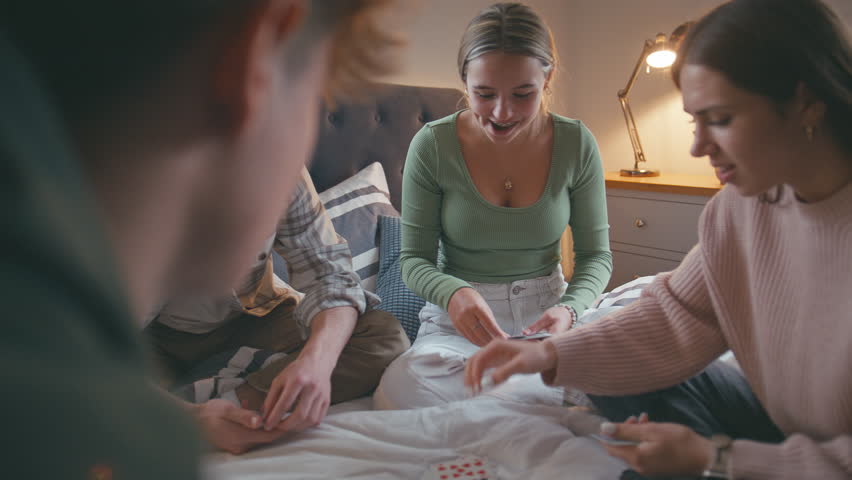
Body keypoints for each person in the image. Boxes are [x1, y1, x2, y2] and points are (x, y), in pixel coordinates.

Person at [0, 0, 403, 477]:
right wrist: (187, 425)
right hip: (154, 345)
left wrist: (315, 364)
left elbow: (330, 271)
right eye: (314, 93)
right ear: (255, 64)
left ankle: (225, 397)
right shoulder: (119, 447)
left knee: (378, 328)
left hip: (244, 324)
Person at [465, 0, 852, 478]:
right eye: (695, 121)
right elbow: (676, 315)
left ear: (805, 101)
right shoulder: (739, 208)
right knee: (607, 371)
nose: (698, 147)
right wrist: (548, 352)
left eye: (722, 119)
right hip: (783, 422)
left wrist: (718, 460)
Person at [374, 2, 612, 410]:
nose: (501, 113)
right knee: (403, 388)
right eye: (484, 94)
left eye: (523, 94)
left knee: (644, 342)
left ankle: (513, 397)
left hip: (547, 315)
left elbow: (596, 256)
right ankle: (542, 399)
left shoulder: (576, 142)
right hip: (459, 324)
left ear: (547, 78)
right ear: (464, 81)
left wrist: (570, 310)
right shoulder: (432, 145)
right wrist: (453, 293)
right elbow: (414, 260)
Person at [143, 167, 409, 449]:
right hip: (147, 341)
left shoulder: (281, 161)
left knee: (383, 336)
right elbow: (94, 355)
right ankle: (198, 415)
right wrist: (194, 420)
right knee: (106, 412)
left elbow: (329, 275)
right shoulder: (122, 189)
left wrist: (317, 362)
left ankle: (234, 408)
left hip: (258, 315)